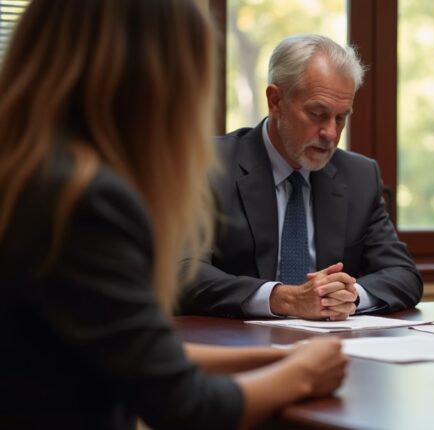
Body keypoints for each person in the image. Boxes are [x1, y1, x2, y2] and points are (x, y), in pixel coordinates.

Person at [0, 1, 346, 429]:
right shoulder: (83, 200)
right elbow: (185, 405)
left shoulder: (30, 174)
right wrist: (304, 373)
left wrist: (279, 356)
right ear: (149, 83)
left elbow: (140, 352)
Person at [177, 34, 422, 321]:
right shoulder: (208, 165)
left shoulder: (359, 176)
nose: (331, 134)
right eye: (318, 114)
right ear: (275, 101)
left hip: (332, 349)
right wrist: (282, 298)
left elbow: (404, 275)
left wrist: (348, 296)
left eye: (341, 118)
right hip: (237, 348)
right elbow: (184, 271)